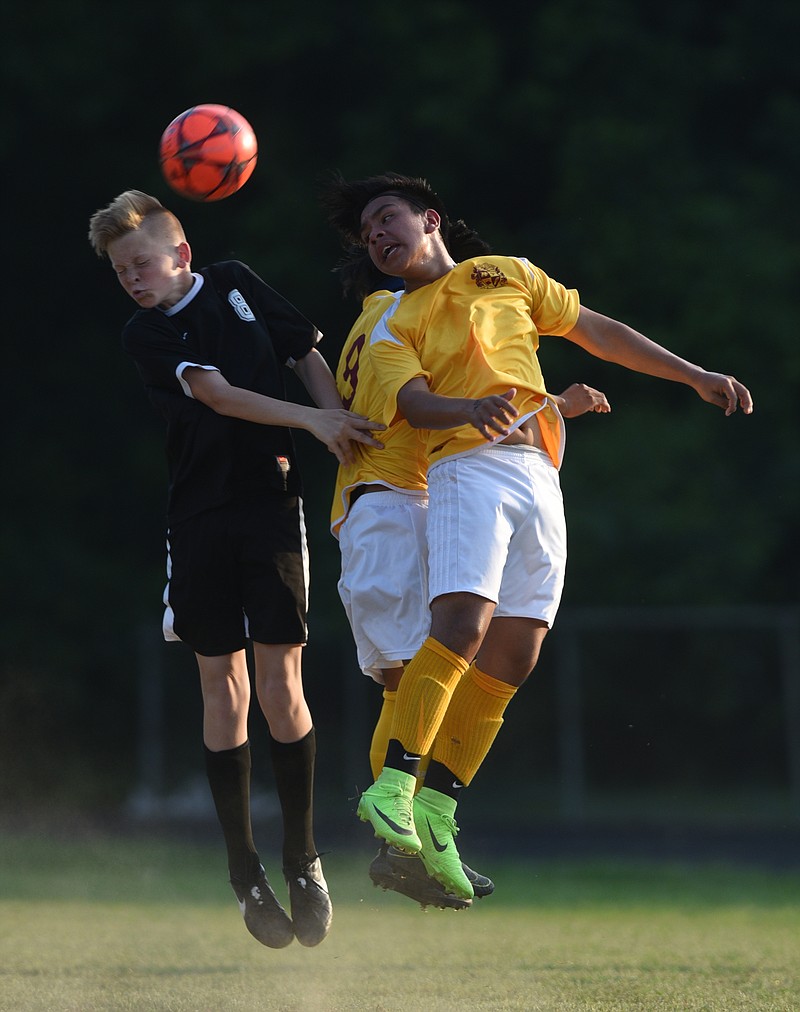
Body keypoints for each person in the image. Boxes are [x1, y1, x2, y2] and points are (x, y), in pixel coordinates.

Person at [322, 172, 754, 900]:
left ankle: (436, 809)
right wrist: (472, 406)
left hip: (538, 473)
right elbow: (419, 407)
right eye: (368, 234)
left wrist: (691, 374)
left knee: (516, 652)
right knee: (456, 630)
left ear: (432, 218)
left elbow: (596, 330)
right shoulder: (395, 317)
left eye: (386, 219)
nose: (377, 237)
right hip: (455, 473)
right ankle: (393, 792)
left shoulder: (509, 275)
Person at [87, 190, 384, 948]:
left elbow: (306, 353)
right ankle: (244, 871)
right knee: (224, 688)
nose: (131, 278)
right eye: (120, 269)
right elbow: (216, 395)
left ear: (180, 254)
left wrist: (335, 424)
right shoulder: (143, 332)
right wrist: (311, 419)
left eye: (140, 263)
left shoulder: (236, 281)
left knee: (283, 684)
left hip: (271, 509)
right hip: (197, 520)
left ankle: (303, 858)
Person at [327, 227, 610, 909]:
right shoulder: (393, 314)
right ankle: (401, 844)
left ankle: (415, 839)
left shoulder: (384, 320)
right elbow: (423, 405)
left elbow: (470, 390)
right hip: (389, 501)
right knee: (409, 679)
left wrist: (551, 407)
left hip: (403, 499)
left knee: (425, 674)